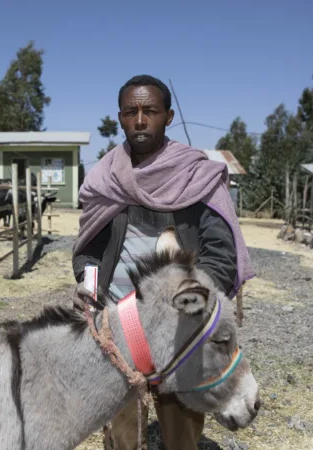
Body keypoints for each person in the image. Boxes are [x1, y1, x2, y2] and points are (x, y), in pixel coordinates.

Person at [71, 75, 254, 450]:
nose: (140, 120)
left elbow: (222, 253)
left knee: (181, 430)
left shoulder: (196, 175)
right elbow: (91, 249)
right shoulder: (106, 177)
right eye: (131, 112)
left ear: (168, 116)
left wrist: (189, 300)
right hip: (119, 328)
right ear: (121, 117)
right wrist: (89, 285)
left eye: (150, 111)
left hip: (180, 333)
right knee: (122, 433)